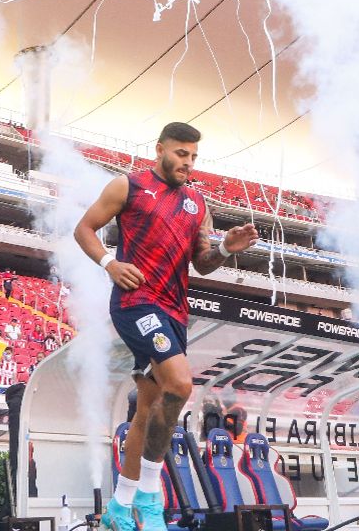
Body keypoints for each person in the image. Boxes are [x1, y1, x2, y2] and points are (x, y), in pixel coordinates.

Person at [74, 122, 258, 531]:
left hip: (174, 311)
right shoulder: (128, 186)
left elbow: (202, 262)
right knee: (179, 385)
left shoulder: (197, 202)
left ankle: (120, 507)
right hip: (136, 301)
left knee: (147, 410)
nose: (187, 162)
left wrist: (226, 248)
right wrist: (110, 263)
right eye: (180, 154)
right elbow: (83, 228)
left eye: (193, 156)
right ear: (160, 149)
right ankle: (151, 498)